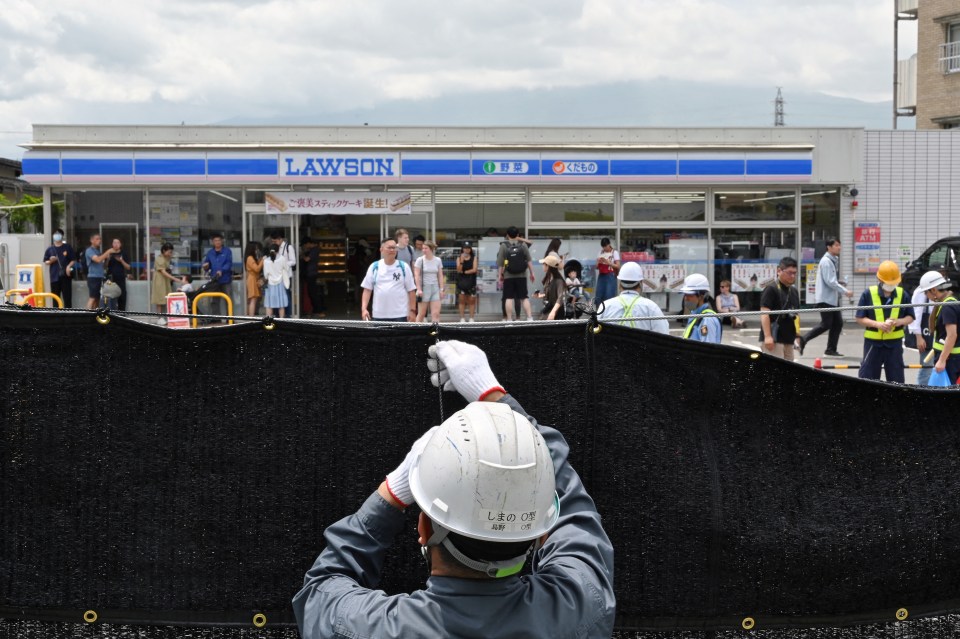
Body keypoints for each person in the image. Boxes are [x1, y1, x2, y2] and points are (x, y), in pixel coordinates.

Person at [292, 339, 616, 638]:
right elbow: (576, 520)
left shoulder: (364, 627)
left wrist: (393, 491)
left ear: (423, 526)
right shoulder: (581, 610)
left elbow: (321, 587)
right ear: (541, 535)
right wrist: (494, 397)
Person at [854, 260, 915, 383]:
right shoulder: (868, 294)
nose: (891, 285)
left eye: (894, 283)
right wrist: (878, 324)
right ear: (880, 280)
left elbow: (911, 317)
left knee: (896, 381)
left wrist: (898, 321)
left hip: (894, 345)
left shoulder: (903, 294)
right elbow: (859, 318)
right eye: (889, 283)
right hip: (873, 344)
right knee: (868, 380)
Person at [797, 239, 852, 357]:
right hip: (826, 299)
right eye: (836, 245)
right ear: (829, 247)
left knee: (837, 323)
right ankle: (803, 339)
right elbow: (830, 281)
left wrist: (840, 282)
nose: (839, 247)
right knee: (826, 324)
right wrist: (845, 291)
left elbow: (830, 280)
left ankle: (830, 349)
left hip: (831, 298)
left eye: (839, 245)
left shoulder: (832, 260)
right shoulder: (827, 261)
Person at [598, 262, 669, 334]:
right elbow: (664, 335)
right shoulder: (651, 307)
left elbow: (595, 335)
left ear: (619, 284)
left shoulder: (605, 306)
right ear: (641, 283)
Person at [918, 270, 960, 384]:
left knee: (947, 396)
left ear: (933, 290)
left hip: (950, 359)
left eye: (926, 292)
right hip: (950, 357)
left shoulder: (947, 307)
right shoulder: (948, 303)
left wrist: (941, 360)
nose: (926, 296)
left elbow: (952, 335)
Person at [360, 237, 417, 322]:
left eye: (394, 248)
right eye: (389, 247)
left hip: (400, 315)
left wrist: (412, 311)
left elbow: (411, 291)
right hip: (379, 315)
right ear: (381, 250)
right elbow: (367, 290)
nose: (392, 250)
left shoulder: (404, 267)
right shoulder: (374, 267)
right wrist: (364, 309)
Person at [760, 257, 801, 361]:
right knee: (774, 370)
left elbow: (796, 316)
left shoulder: (794, 291)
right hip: (775, 337)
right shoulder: (771, 288)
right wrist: (768, 336)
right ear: (779, 271)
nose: (792, 276)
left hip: (789, 338)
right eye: (789, 273)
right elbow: (764, 313)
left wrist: (797, 335)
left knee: (789, 370)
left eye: (794, 273)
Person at [497, 226, 535, 322]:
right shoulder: (523, 245)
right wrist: (532, 273)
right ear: (518, 235)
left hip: (508, 276)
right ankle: (529, 318)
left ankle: (509, 319)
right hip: (522, 275)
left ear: (507, 235)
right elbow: (529, 260)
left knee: (509, 298)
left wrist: (500, 276)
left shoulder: (503, 246)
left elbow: (500, 263)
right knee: (524, 297)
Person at [200, 232, 233, 321]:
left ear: (222, 241)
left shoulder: (227, 251)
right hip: (215, 280)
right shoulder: (210, 253)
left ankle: (230, 319)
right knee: (214, 300)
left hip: (225, 279)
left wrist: (221, 270)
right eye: (215, 241)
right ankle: (216, 319)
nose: (217, 242)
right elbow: (207, 264)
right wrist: (206, 266)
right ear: (212, 242)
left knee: (228, 300)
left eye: (219, 240)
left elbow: (229, 264)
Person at [679, 273, 721, 344]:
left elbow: (707, 350)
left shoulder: (707, 319)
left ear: (701, 296)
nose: (686, 298)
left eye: (690, 295)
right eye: (685, 294)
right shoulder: (696, 314)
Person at [43, 228, 77, 308]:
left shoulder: (67, 247)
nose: (56, 236)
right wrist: (51, 261)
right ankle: (56, 316)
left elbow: (73, 259)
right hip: (54, 277)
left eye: (58, 234)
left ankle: (68, 316)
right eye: (55, 234)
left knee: (67, 298)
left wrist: (68, 266)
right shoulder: (50, 249)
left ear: (62, 236)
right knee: (55, 299)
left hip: (65, 276)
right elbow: (46, 261)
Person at [151, 242, 186, 319]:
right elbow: (163, 272)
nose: (170, 253)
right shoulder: (159, 259)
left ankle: (169, 317)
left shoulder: (168, 259)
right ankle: (159, 318)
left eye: (171, 252)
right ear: (163, 250)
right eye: (169, 252)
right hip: (160, 281)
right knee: (159, 300)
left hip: (166, 280)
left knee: (167, 298)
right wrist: (175, 279)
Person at [908, 284, 933, 386]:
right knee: (927, 367)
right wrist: (919, 336)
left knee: (938, 367)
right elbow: (916, 315)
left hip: (940, 335)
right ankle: (923, 391)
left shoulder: (943, 287)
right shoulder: (921, 291)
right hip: (926, 335)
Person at [415, 240, 445, 323]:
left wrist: (441, 289)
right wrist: (418, 289)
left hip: (435, 287)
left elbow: (440, 275)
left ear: (431, 249)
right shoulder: (420, 260)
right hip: (424, 288)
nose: (423, 250)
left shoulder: (438, 260)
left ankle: (434, 333)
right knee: (421, 313)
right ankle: (416, 331)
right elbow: (417, 275)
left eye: (426, 248)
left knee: (436, 314)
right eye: (423, 248)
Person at [85, 233, 114, 310]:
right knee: (92, 297)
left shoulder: (98, 251)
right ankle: (87, 315)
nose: (99, 241)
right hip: (93, 277)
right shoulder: (89, 250)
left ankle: (95, 315)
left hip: (100, 276)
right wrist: (108, 252)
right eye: (97, 239)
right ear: (91, 240)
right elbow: (97, 260)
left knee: (97, 299)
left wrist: (107, 258)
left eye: (100, 239)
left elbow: (103, 265)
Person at [272, 230, 297, 317]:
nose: (274, 243)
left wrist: (284, 264)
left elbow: (293, 261)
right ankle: (278, 315)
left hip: (286, 276)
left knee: (286, 295)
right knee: (277, 296)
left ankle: (288, 315)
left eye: (275, 241)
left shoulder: (288, 247)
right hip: (276, 276)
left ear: (280, 239)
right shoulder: (274, 247)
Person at [535, 254, 568, 320]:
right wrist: (540, 295)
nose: (542, 266)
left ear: (548, 266)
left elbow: (560, 298)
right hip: (550, 308)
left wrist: (553, 312)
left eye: (544, 264)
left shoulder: (559, 281)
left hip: (557, 312)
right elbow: (550, 295)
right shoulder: (550, 278)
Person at [300, 237, 326, 318]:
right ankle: (317, 311)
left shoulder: (315, 250)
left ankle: (319, 311)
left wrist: (301, 255)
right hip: (311, 274)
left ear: (308, 243)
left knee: (313, 293)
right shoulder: (313, 250)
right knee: (312, 293)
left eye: (305, 245)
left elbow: (307, 259)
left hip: (312, 274)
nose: (305, 247)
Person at [262, 248, 290, 318]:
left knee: (269, 305)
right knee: (281, 305)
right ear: (278, 250)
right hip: (280, 283)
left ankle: (268, 322)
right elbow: (287, 268)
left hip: (270, 285)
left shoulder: (266, 261)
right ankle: (281, 320)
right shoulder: (282, 258)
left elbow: (265, 275)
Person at [105, 238, 132, 311]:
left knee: (122, 297)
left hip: (121, 278)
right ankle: (111, 313)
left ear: (120, 244)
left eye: (118, 243)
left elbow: (128, 267)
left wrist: (121, 260)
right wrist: (107, 259)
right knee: (111, 297)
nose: (116, 244)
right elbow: (105, 267)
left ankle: (121, 314)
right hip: (111, 278)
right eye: (114, 242)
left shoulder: (124, 253)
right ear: (112, 244)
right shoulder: (109, 253)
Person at [455, 241, 478, 322]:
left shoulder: (474, 258)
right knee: (461, 300)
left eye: (468, 248)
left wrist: (465, 272)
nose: (466, 250)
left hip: (471, 281)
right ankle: (462, 318)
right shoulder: (459, 258)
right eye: (465, 248)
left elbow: (474, 269)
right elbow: (458, 270)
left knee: (472, 300)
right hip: (461, 282)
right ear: (462, 249)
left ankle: (471, 318)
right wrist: (461, 261)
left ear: (470, 249)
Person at [595, 238, 620, 305]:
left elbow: (618, 266)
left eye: (606, 246)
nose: (605, 248)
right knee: (599, 295)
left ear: (609, 244)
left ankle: (609, 312)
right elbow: (596, 267)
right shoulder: (600, 252)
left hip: (610, 275)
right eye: (603, 247)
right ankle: (599, 312)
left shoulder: (614, 252)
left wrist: (608, 263)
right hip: (602, 275)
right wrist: (599, 262)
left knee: (609, 295)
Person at [244, 241, 264, 316]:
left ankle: (252, 315)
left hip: (254, 278)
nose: (256, 250)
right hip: (252, 279)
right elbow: (257, 269)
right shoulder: (250, 258)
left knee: (254, 299)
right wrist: (262, 261)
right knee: (253, 299)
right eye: (255, 248)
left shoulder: (251, 257)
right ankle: (251, 317)